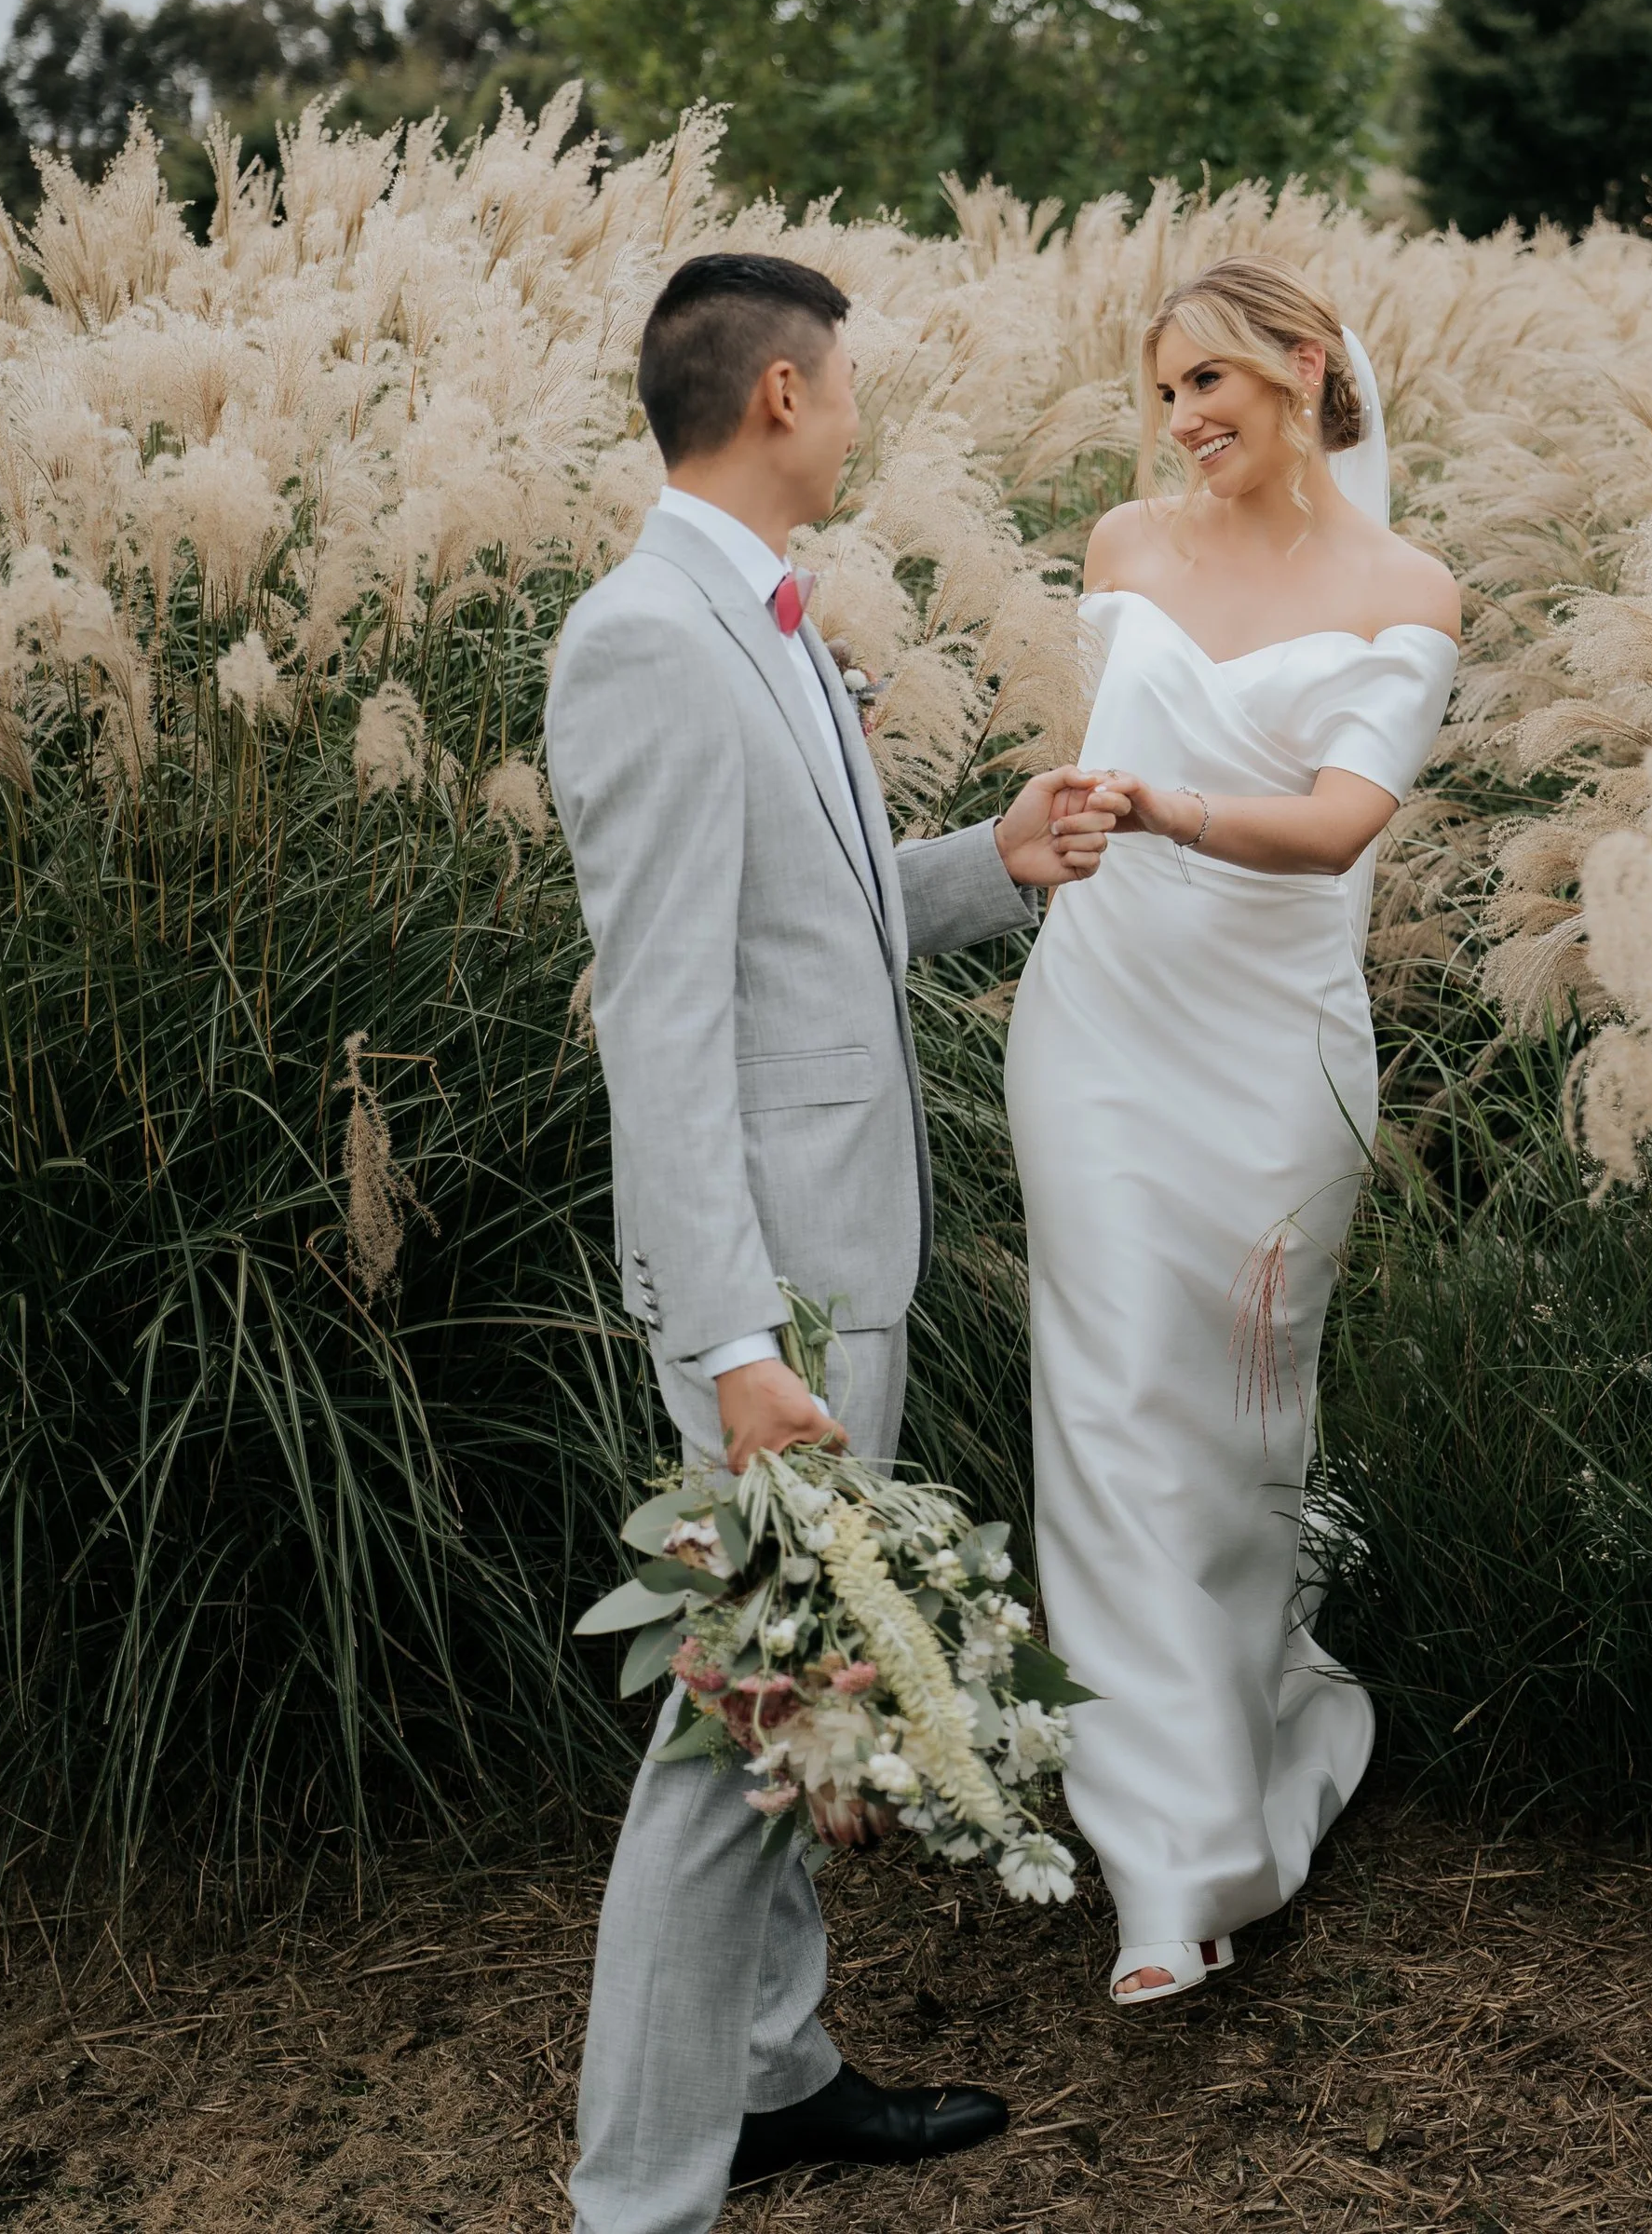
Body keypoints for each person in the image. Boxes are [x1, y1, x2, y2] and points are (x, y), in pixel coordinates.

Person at [546, 250, 1125, 2234]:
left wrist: (992, 861)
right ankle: (636, 2199)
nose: (864, 415)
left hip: (830, 1258)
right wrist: (727, 1344)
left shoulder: (768, 625)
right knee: (739, 1735)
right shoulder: (645, 640)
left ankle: (775, 2078)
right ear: (780, 395)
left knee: (804, 1698)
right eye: (850, 385)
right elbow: (669, 1026)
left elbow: (803, 923)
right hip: (764, 1294)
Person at [1006, 257, 1461, 2005]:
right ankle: (1170, 1862)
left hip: (1273, 1049)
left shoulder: (1407, 585)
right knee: (1117, 1400)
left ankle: (1267, 1706)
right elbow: (1098, 756)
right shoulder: (1125, 549)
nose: (1187, 418)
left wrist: (1173, 806)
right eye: (1166, 392)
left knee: (1244, 1408)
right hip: (1103, 1022)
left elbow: (1343, 822)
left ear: (1302, 368)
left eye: (1214, 382)